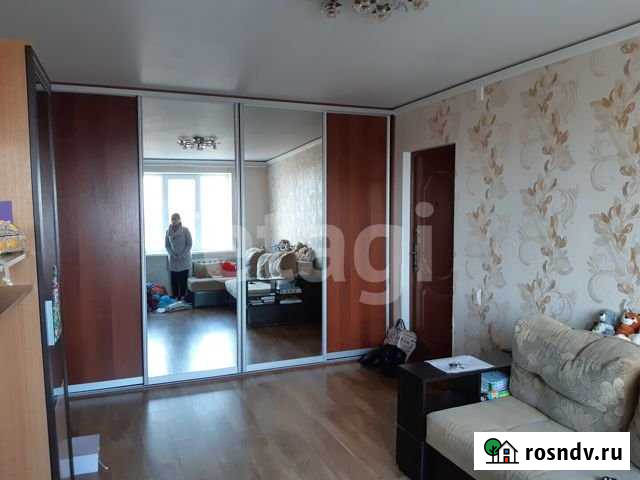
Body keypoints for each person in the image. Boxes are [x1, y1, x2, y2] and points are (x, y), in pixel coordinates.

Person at [165, 213, 192, 300]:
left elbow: (189, 244)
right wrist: (172, 254)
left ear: (179, 220)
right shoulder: (168, 231)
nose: (174, 221)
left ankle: (183, 299)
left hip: (184, 259)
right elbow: (167, 245)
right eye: (172, 219)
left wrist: (182, 255)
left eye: (176, 219)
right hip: (173, 260)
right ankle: (175, 300)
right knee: (174, 281)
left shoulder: (185, 230)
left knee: (183, 281)